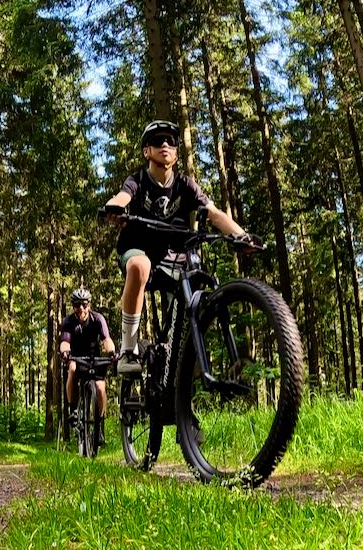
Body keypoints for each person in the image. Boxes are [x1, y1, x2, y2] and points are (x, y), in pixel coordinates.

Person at [104, 120, 261, 374]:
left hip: (173, 256)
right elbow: (124, 196)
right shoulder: (138, 180)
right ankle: (129, 350)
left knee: (198, 276)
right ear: (147, 151)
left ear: (176, 153)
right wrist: (115, 206)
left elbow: (213, 213)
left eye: (170, 141)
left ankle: (184, 356)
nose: (164, 144)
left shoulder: (186, 185)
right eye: (157, 141)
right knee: (140, 266)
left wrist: (241, 236)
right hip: (138, 249)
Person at [59, 287, 114, 442]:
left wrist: (111, 352)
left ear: (89, 305)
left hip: (94, 359)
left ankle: (100, 424)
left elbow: (106, 340)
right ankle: (73, 409)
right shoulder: (69, 322)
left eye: (84, 304)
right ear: (73, 306)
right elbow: (65, 342)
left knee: (100, 388)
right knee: (72, 367)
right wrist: (65, 352)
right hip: (76, 358)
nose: (81, 308)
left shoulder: (98, 319)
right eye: (77, 305)